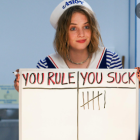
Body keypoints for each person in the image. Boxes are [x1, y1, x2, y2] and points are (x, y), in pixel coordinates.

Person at [14, 0, 140, 91]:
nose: (81, 34)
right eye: (73, 28)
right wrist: (24, 90)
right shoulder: (46, 65)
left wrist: (132, 85)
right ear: (62, 33)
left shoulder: (110, 60)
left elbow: (121, 102)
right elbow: (39, 105)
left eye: (86, 27)